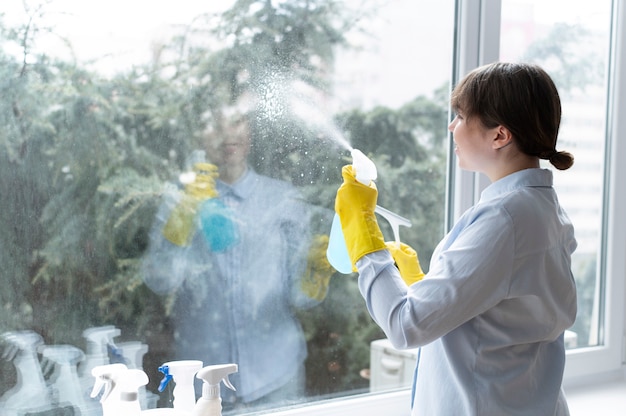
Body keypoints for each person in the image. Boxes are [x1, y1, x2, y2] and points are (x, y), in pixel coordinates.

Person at [334, 62, 577, 415]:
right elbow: (504, 314)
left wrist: (363, 234)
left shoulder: (505, 220)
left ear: (500, 135)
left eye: (461, 117)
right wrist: (422, 285)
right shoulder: (542, 209)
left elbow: (405, 326)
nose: (452, 127)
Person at [142, 106, 333, 412]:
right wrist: (180, 224)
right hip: (201, 382)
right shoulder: (180, 200)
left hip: (275, 377)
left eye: (236, 122)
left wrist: (315, 274)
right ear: (198, 135)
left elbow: (300, 297)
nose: (227, 134)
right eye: (214, 125)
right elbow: (161, 282)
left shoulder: (282, 199)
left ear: (250, 131)